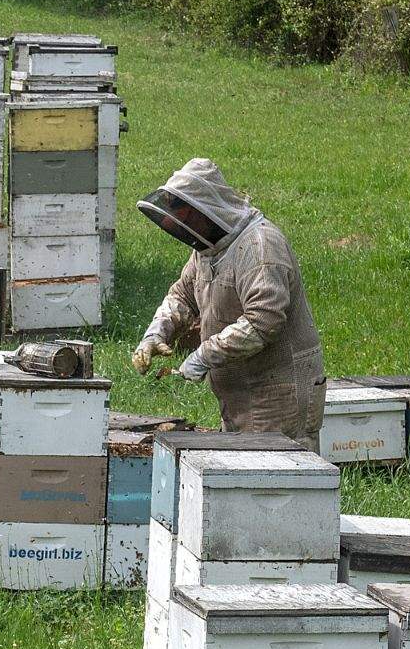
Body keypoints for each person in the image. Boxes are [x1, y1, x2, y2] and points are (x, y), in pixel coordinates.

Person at [129, 159, 326, 444]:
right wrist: (156, 333)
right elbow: (182, 294)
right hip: (239, 390)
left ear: (204, 210)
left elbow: (263, 322)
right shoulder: (209, 249)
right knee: (242, 478)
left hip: (280, 392)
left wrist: (203, 355)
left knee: (278, 480)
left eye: (184, 218)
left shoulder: (260, 247)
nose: (179, 227)